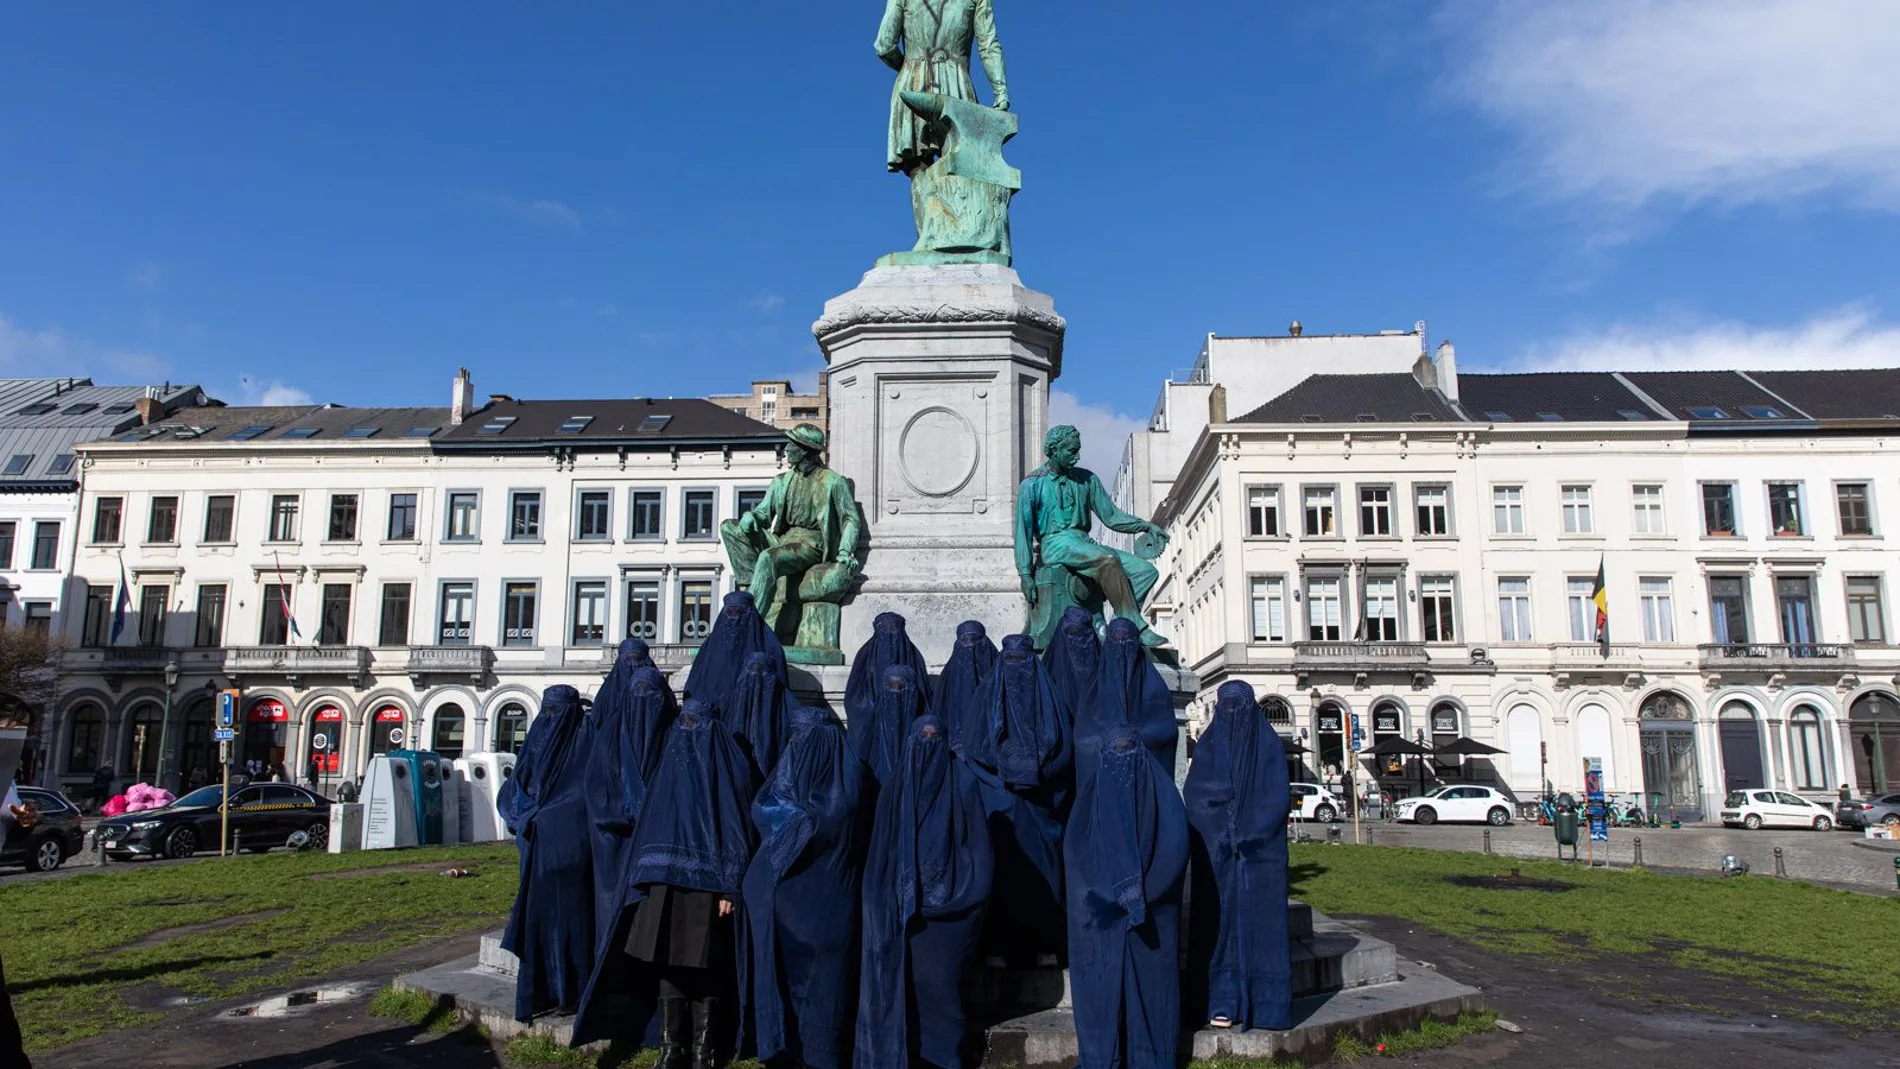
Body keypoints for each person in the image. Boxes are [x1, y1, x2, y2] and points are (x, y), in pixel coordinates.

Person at [622, 699, 758, 1069]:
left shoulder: (729, 767)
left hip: (707, 886)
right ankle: (671, 1047)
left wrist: (730, 887)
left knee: (704, 966)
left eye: (695, 723)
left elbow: (736, 828)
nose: (688, 730)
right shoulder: (671, 763)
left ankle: (704, 1049)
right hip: (665, 881)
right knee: (668, 964)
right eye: (684, 722)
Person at [857, 715, 991, 1069]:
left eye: (936, 739)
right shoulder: (897, 788)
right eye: (922, 738)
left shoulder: (963, 785)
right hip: (903, 911)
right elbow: (881, 853)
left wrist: (960, 898)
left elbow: (979, 853)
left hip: (952, 913)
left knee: (941, 988)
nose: (928, 746)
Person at [743, 707, 864, 1069]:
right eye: (795, 736)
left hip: (826, 905)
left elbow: (827, 821)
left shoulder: (847, 785)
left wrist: (799, 819)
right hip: (785, 908)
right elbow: (765, 806)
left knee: (825, 986)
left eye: (806, 737)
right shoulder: (787, 783)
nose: (799, 745)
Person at [1064, 725, 1188, 1069]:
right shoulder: (1087, 809)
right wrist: (1108, 898)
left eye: (1128, 754)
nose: (1123, 765)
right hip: (1100, 914)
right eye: (1115, 755)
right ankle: (1102, 1055)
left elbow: (1174, 853)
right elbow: (1079, 866)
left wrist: (1142, 893)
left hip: (1153, 909)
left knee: (1152, 987)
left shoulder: (1166, 804)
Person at [573, 662, 678, 1048]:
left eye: (652, 697)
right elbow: (598, 795)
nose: (646, 705)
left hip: (657, 854)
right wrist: (628, 815)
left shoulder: (673, 734)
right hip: (615, 851)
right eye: (638, 698)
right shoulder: (609, 741)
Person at [1184, 681, 1294, 1032]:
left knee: (1261, 927)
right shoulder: (1208, 749)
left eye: (1238, 707)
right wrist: (1219, 830)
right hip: (1215, 859)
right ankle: (1220, 999)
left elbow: (1276, 800)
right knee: (1216, 929)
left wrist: (1250, 834)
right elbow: (1196, 798)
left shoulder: (1270, 749)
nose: (1231, 715)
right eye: (1225, 707)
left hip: (1261, 859)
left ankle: (1266, 1004)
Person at [963, 633, 1071, 964]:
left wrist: (1037, 772)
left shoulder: (1050, 700)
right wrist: (1003, 773)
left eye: (1022, 662)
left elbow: (1063, 750)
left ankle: (1041, 939)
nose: (1016, 669)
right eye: (1009, 662)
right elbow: (974, 747)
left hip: (1041, 804)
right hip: (997, 802)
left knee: (1041, 874)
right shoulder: (985, 701)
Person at [1015, 425, 1171, 647]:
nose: (1077, 456)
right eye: (1071, 451)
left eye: (1078, 450)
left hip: (1083, 542)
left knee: (1145, 571)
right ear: (1054, 450)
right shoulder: (1032, 484)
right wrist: (1024, 573)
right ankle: (1136, 627)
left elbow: (1111, 517)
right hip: (1055, 542)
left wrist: (1145, 526)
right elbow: (1023, 531)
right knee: (1107, 560)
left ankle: (1120, 626)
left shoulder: (1087, 479)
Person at [498, 686, 595, 1023]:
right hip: (539, 851)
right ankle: (542, 991)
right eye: (548, 711)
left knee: (573, 925)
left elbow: (590, 792)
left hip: (569, 852)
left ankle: (572, 991)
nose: (551, 718)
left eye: (557, 711)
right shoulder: (548, 739)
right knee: (541, 924)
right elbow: (513, 790)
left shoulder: (585, 744)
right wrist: (524, 817)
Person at [1081, 617, 1178, 789]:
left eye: (1128, 641)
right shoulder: (1093, 689)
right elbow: (1084, 737)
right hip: (1103, 781)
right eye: (1116, 641)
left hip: (1146, 779)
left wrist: (1133, 744)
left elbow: (1166, 732)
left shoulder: (1155, 689)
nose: (1122, 646)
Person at [685, 591, 787, 713]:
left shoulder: (771, 647)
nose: (735, 618)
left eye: (740, 613)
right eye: (730, 613)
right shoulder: (708, 650)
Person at [844, 612, 930, 729]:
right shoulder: (865, 656)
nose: (889, 636)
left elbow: (923, 697)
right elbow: (855, 698)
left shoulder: (913, 656)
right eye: (883, 630)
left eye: (894, 630)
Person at [850, 663, 926, 793]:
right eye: (890, 687)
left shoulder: (926, 732)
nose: (896, 693)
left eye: (901, 687)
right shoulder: (868, 733)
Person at [721, 651, 796, 782]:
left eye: (763, 673)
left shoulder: (790, 709)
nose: (757, 680)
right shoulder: (727, 706)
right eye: (752, 671)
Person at [932, 620, 999, 747]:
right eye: (965, 642)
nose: (971, 647)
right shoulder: (947, 680)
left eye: (976, 641)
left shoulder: (998, 674)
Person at [1040, 606, 1099, 726]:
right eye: (1072, 633)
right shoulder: (1047, 678)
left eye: (1082, 636)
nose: (1078, 642)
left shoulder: (1104, 673)